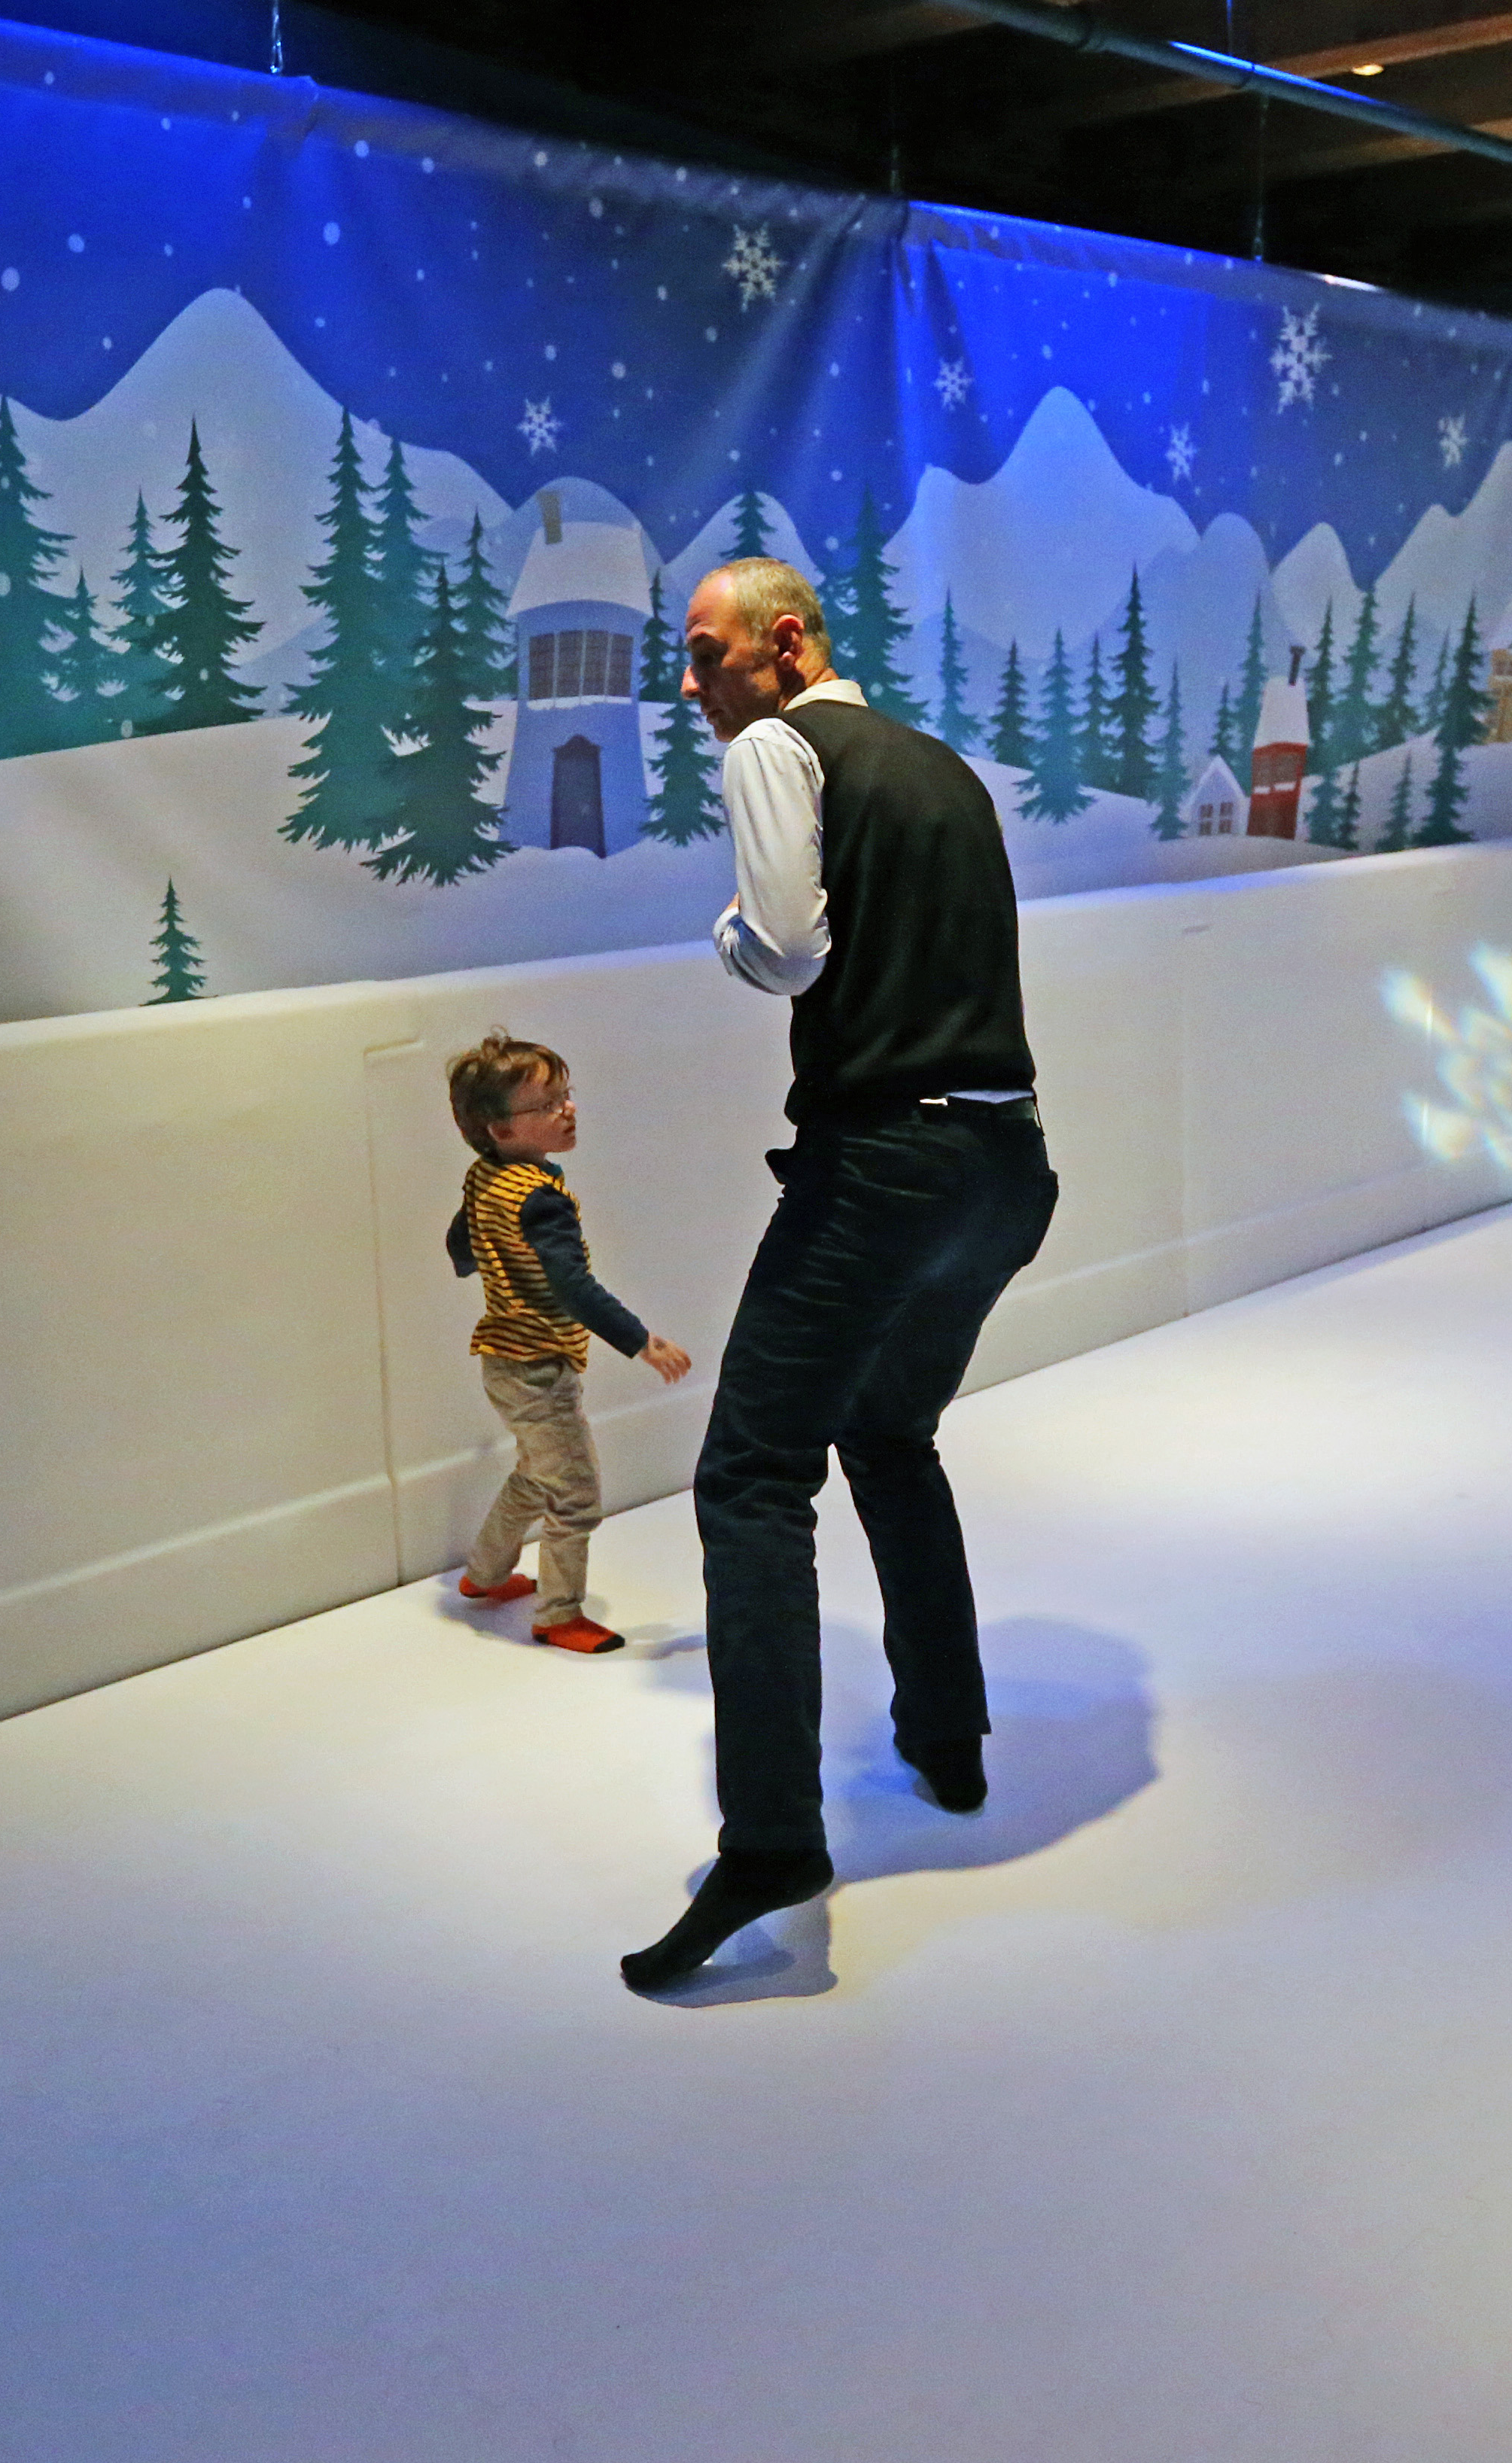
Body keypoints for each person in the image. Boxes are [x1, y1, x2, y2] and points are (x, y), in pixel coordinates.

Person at [618, 557, 1057, 1994]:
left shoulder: (774, 745)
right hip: (1003, 1168)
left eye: (706, 652)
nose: (691, 682)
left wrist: (724, 935)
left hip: (880, 1163)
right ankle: (947, 1739)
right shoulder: (942, 770)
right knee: (886, 1432)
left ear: (785, 642)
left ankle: (767, 1842)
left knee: (750, 1477)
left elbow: (788, 950)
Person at [442, 1031, 692, 1658]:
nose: (568, 1109)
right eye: (548, 1104)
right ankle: (558, 1615)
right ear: (502, 1130)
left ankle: (485, 1574)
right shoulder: (542, 1202)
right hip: (537, 1369)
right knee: (575, 1498)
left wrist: (492, 1263)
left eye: (566, 1095)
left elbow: (459, 1244)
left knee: (536, 1473)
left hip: (502, 1360)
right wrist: (642, 1341)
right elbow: (574, 1286)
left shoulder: (485, 1177)